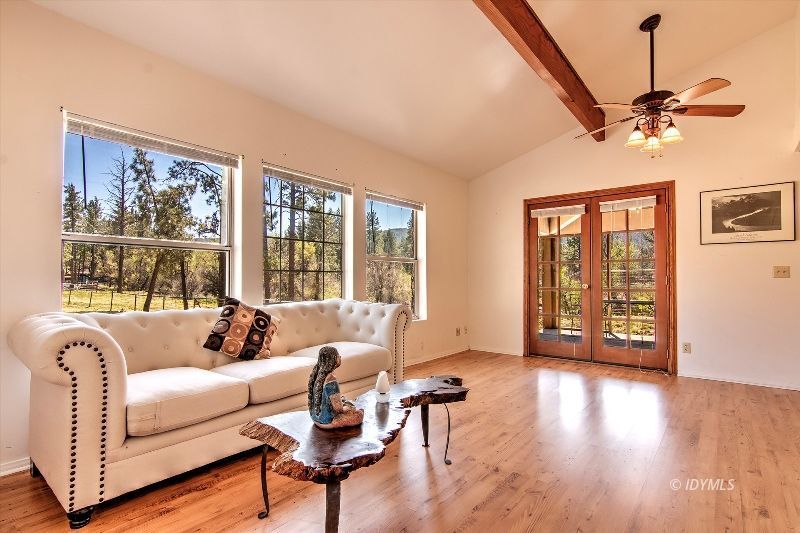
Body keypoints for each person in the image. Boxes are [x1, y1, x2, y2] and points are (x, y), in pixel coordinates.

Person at [307, 346, 364, 429]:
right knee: (359, 414)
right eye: (338, 356)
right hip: (327, 422)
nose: (340, 357)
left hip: (315, 419)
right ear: (332, 360)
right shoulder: (331, 379)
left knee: (344, 399)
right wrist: (347, 408)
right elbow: (338, 409)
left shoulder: (316, 374)